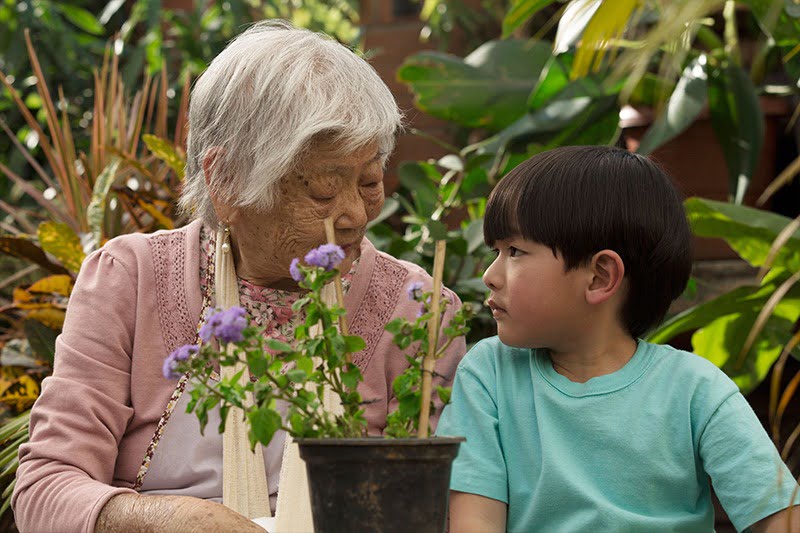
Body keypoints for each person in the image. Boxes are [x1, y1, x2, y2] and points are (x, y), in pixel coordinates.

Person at [12, 21, 465, 533]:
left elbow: (437, 510)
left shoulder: (418, 311)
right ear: (225, 181)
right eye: (322, 191)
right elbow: (46, 488)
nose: (356, 215)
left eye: (369, 181)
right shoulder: (129, 279)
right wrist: (168, 521)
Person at [436, 145, 800, 532]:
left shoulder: (695, 390)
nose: (490, 275)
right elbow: (474, 523)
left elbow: (778, 519)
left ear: (600, 277)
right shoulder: (489, 375)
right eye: (496, 251)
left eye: (515, 251)